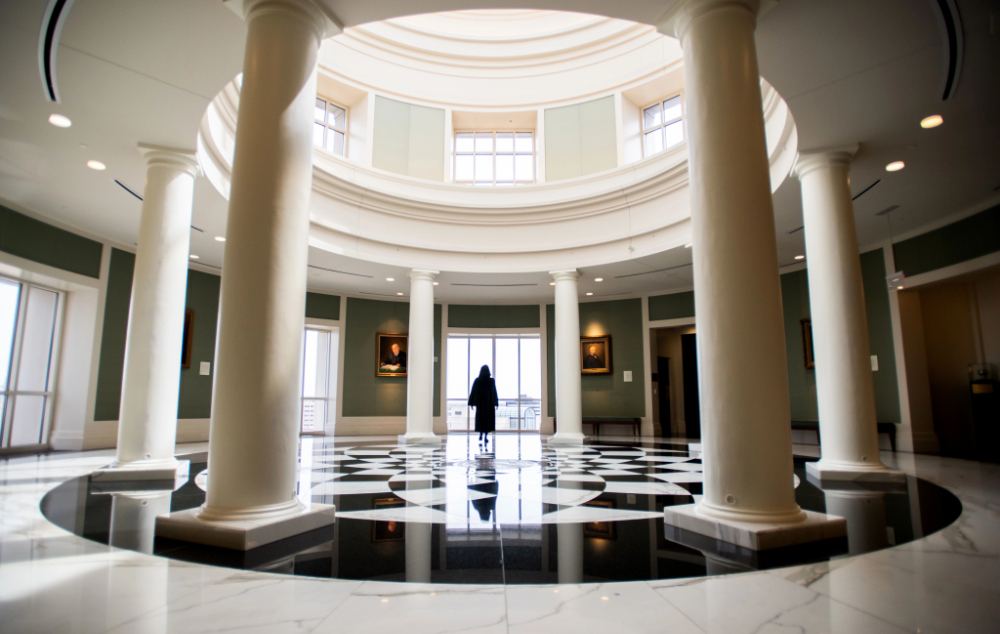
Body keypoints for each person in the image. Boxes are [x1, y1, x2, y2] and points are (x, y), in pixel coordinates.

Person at [468, 365, 498, 446]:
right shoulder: (491, 381)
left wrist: (472, 403)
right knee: (488, 420)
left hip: (480, 404)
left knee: (481, 419)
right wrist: (495, 403)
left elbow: (473, 392)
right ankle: (485, 436)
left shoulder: (477, 381)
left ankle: (481, 434)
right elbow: (493, 392)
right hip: (489, 405)